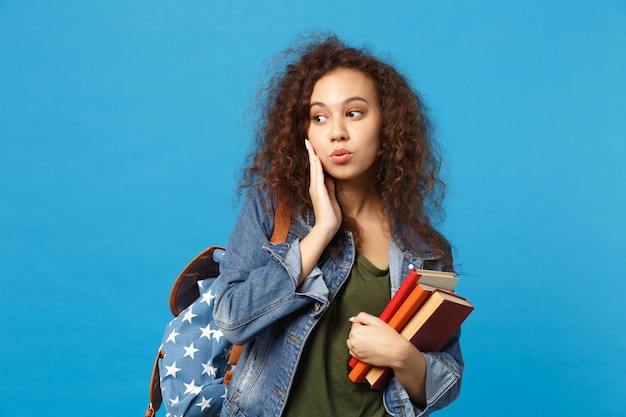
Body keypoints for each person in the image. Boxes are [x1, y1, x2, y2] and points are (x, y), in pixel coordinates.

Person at [213, 34, 463, 417]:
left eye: (354, 112)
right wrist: (321, 232)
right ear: (305, 132)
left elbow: (446, 382)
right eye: (319, 117)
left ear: (387, 126)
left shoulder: (425, 250)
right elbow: (231, 317)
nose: (337, 133)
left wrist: (399, 354)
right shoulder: (272, 207)